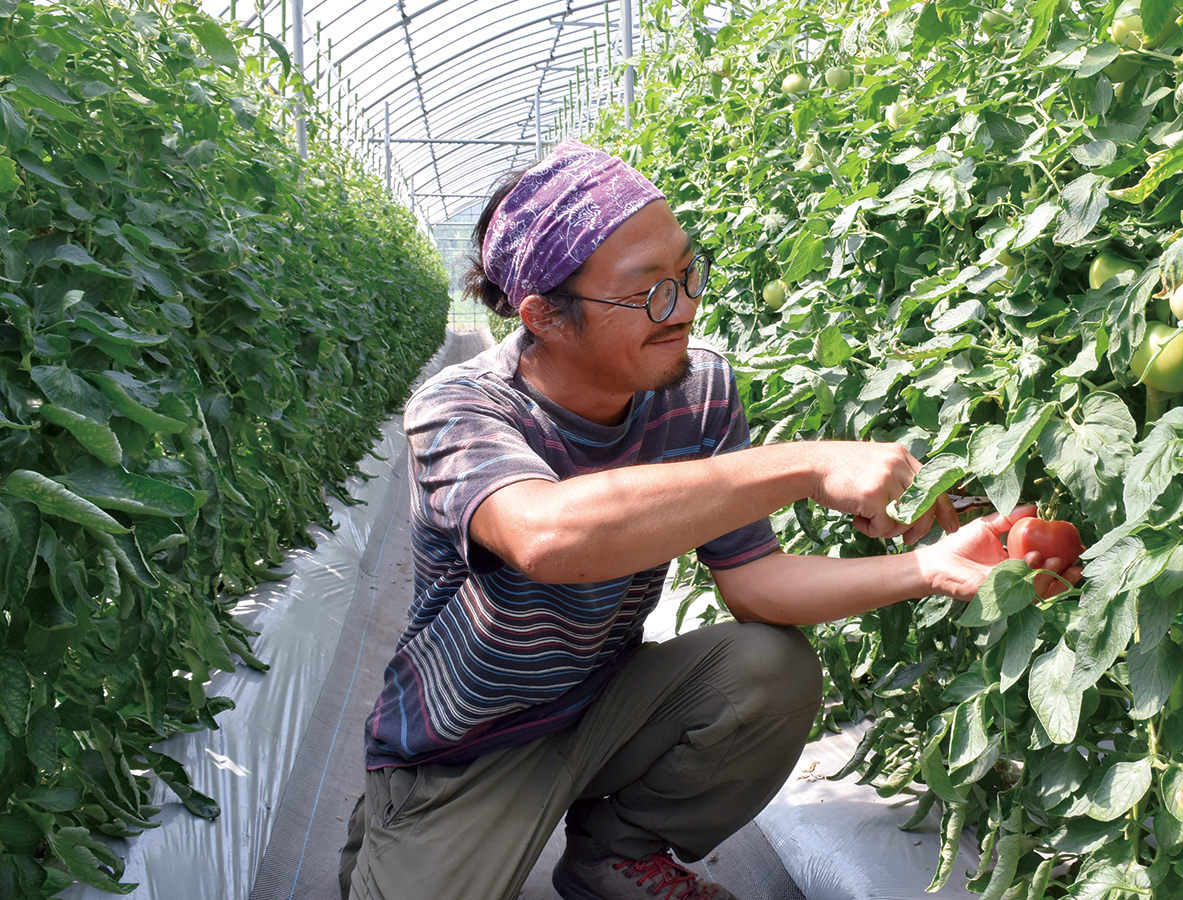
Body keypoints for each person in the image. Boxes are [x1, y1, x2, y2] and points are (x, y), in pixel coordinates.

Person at [339, 139, 1079, 900]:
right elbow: (548, 537)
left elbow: (753, 585)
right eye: (649, 292)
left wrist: (928, 567)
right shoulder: (462, 408)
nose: (686, 306)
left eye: (687, 272)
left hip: (603, 703)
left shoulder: (697, 388)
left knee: (769, 668)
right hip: (469, 742)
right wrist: (801, 465)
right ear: (545, 317)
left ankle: (614, 856)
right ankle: (397, 826)